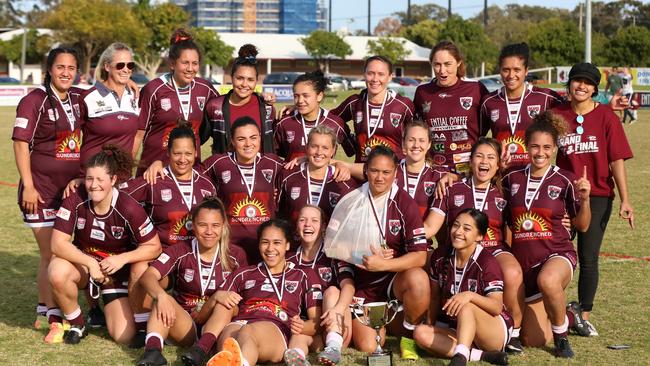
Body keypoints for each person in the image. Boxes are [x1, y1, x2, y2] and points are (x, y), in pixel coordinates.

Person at [322, 146, 430, 361]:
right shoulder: (351, 201)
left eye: (386, 172)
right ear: (366, 171)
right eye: (374, 171)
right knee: (370, 347)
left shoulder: (404, 203)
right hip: (361, 288)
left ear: (395, 173)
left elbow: (420, 256)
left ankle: (408, 338)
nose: (380, 177)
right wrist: (358, 254)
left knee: (418, 279)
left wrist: (384, 264)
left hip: (392, 284)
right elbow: (334, 250)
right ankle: (378, 329)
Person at [47, 146, 162, 345]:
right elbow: (57, 244)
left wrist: (122, 259)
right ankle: (78, 323)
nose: (94, 185)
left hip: (114, 276)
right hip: (85, 268)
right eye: (90, 179)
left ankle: (112, 305)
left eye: (101, 180)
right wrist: (90, 263)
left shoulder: (128, 207)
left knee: (123, 336)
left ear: (114, 180)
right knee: (57, 269)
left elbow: (154, 247)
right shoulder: (75, 199)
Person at [553, 62, 634, 337]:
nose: (582, 87)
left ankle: (583, 314)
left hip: (598, 196)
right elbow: (540, 145)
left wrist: (625, 200)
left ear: (594, 89)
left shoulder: (607, 117)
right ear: (570, 84)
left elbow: (617, 160)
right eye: (577, 81)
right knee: (550, 252)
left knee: (588, 256)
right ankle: (551, 311)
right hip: (562, 197)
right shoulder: (557, 115)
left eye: (588, 83)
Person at [502, 111, 591, 357]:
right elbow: (506, 221)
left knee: (549, 281)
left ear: (554, 149)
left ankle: (562, 340)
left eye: (546, 147)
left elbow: (582, 226)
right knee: (533, 339)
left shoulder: (566, 180)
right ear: (527, 147)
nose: (540, 152)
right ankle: (570, 316)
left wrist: (585, 200)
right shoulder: (512, 179)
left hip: (556, 254)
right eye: (534, 146)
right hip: (524, 265)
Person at [425, 137, 525, 353]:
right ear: (469, 161)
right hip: (459, 251)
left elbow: (517, 223)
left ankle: (513, 331)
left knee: (513, 273)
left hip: (492, 248)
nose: (484, 162)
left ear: (499, 164)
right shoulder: (451, 187)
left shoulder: (504, 192)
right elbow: (433, 226)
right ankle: (442, 322)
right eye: (479, 156)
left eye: (491, 158)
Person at [12, 47, 83, 336]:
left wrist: (127, 83)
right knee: (49, 254)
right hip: (40, 192)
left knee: (66, 253)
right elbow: (20, 143)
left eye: (71, 67)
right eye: (60, 67)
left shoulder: (79, 98)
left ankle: (60, 307)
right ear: (49, 69)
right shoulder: (34, 100)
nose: (66, 72)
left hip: (71, 193)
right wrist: (28, 185)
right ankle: (47, 312)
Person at [182, 219, 322, 366]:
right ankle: (204, 349)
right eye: (265, 242)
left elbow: (316, 323)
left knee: (248, 332)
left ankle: (240, 362)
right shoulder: (244, 273)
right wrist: (217, 296)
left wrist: (302, 326)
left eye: (276, 243)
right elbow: (202, 317)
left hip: (275, 326)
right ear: (259, 244)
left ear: (287, 245)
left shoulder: (303, 274)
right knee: (226, 307)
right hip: (239, 323)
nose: (270, 248)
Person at [136, 197, 243, 366]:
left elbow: (239, 302)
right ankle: (153, 353)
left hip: (216, 323)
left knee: (227, 303)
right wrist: (161, 296)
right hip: (186, 323)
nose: (209, 231)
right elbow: (148, 276)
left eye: (215, 225)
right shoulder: (180, 250)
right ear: (193, 225)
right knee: (163, 300)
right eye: (202, 225)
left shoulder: (236, 256)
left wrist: (215, 300)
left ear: (223, 227)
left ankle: (201, 351)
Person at [413, 209, 511, 366]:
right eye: (455, 225)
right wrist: (431, 324)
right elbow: (435, 296)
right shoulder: (439, 256)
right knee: (420, 333)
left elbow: (496, 307)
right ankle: (483, 356)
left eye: (466, 228)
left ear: (479, 236)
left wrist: (470, 296)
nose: (458, 231)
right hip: (459, 327)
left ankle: (459, 360)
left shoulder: (487, 262)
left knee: (467, 306)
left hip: (492, 329)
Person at [135, 28, 219, 176]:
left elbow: (226, 109)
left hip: (189, 171)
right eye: (185, 63)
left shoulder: (205, 88)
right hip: (154, 172)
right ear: (172, 64)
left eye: (195, 63)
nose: (190, 69)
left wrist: (259, 97)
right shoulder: (154, 89)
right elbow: (138, 134)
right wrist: (123, 173)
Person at [202, 117, 285, 264]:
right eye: (241, 139)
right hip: (231, 246)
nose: (248, 144)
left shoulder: (273, 163)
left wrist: (337, 164)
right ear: (232, 141)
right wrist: (157, 164)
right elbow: (187, 171)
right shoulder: (218, 163)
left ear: (260, 137)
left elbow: (305, 167)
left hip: (266, 247)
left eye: (253, 138)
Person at [124, 121, 216, 248]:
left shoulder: (207, 184)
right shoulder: (154, 179)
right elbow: (117, 195)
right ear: (168, 152)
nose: (183, 160)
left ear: (195, 153)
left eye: (188, 154)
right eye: (177, 153)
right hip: (161, 256)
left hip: (195, 258)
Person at [479, 43, 562, 170]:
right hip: (503, 175)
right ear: (500, 70)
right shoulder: (489, 102)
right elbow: (478, 139)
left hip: (534, 175)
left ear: (526, 70)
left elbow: (572, 112)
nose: (511, 75)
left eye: (517, 70)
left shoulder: (546, 97)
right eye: (506, 70)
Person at [414, 40, 488, 174]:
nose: (442, 71)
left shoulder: (476, 88)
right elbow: (417, 128)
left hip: (468, 169)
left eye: (448, 64)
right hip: (434, 168)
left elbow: (489, 123)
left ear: (458, 62)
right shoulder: (422, 92)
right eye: (437, 65)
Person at [330, 55, 415, 162]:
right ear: (364, 74)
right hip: (362, 170)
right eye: (370, 73)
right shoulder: (355, 102)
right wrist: (348, 142)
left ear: (390, 77)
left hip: (394, 171)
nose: (375, 79)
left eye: (381, 74)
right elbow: (330, 119)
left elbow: (418, 132)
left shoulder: (403, 105)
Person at [202, 44, 276, 154]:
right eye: (240, 78)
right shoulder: (214, 106)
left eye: (250, 80)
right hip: (226, 170)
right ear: (232, 78)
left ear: (256, 81)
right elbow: (197, 139)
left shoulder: (267, 109)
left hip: (261, 171)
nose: (244, 84)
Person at [285, 205, 338, 358]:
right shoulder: (287, 259)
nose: (308, 224)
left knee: (333, 291)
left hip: (331, 322)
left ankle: (334, 346)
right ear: (297, 226)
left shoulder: (334, 255)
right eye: (303, 220)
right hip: (303, 326)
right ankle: (297, 357)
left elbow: (348, 287)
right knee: (298, 337)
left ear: (323, 226)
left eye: (314, 220)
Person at [79, 42, 140, 172]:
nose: (126, 69)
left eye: (130, 65)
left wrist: (126, 166)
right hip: (92, 179)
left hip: (122, 179)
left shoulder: (136, 96)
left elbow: (138, 135)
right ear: (107, 67)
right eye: (120, 65)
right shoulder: (87, 97)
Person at [277, 125, 357, 223]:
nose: (319, 152)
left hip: (329, 238)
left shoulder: (344, 182)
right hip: (294, 237)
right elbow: (277, 212)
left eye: (325, 148)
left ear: (333, 151)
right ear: (307, 147)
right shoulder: (288, 176)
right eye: (314, 146)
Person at [274, 70, 355, 162]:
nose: (300, 100)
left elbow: (352, 151)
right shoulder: (284, 122)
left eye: (305, 96)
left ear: (319, 96)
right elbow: (273, 156)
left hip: (325, 176)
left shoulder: (336, 123)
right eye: (296, 96)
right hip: (293, 176)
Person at [395, 121, 446, 219]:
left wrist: (451, 176)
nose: (416, 145)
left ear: (429, 144)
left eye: (422, 140)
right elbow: (366, 169)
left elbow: (466, 178)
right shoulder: (390, 170)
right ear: (403, 143)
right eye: (411, 140)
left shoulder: (437, 175)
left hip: (423, 233)